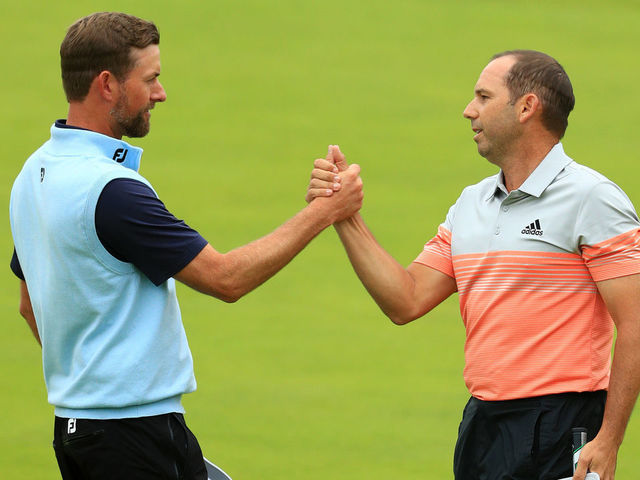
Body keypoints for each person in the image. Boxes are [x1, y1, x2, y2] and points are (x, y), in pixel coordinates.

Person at [9, 12, 363, 480]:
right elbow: (226, 277)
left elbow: (30, 306)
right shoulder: (112, 191)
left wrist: (89, 383)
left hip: (77, 433)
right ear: (107, 85)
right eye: (150, 79)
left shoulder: (33, 174)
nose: (161, 93)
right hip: (133, 436)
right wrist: (325, 212)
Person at [307, 50, 640, 480]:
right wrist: (344, 216)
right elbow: (405, 300)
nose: (469, 110)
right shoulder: (471, 203)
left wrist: (609, 439)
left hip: (562, 422)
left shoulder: (592, 198)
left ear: (526, 107)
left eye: (484, 97)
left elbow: (635, 323)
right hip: (482, 423)